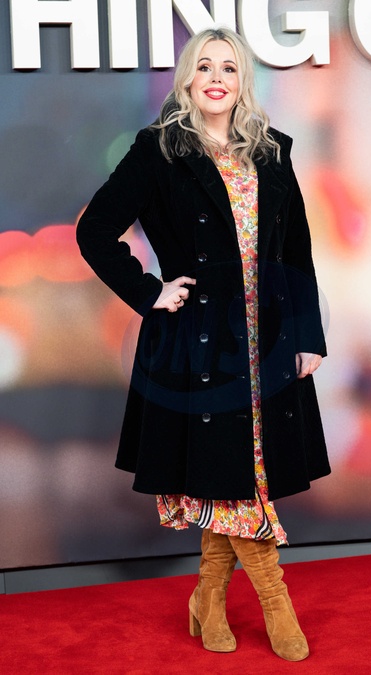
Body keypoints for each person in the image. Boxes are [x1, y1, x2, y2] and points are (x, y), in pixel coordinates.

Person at [77, 27, 330, 662]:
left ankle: (208, 599)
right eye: (205, 66)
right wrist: (149, 292)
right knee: (234, 476)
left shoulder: (272, 151)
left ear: (243, 81)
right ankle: (275, 602)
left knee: (240, 474)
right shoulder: (159, 149)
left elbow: (296, 251)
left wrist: (308, 335)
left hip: (268, 341)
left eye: (230, 68)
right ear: (188, 78)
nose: (217, 78)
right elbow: (96, 229)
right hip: (198, 342)